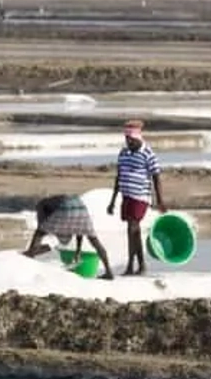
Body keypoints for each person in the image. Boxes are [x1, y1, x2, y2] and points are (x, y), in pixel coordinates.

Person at [107, 119, 167, 276]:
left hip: (140, 196)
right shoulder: (124, 152)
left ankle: (132, 266)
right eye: (126, 139)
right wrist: (113, 200)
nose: (128, 142)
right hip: (126, 196)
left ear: (138, 138)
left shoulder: (148, 153)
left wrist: (160, 201)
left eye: (131, 140)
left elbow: (156, 177)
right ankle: (140, 265)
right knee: (133, 231)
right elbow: (119, 176)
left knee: (132, 228)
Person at [23, 193, 115, 280]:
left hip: (66, 207)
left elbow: (41, 226)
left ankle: (29, 258)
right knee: (95, 241)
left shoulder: (41, 204)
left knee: (39, 233)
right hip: (82, 210)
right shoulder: (54, 202)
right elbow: (79, 230)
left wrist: (38, 240)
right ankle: (109, 272)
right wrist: (78, 251)